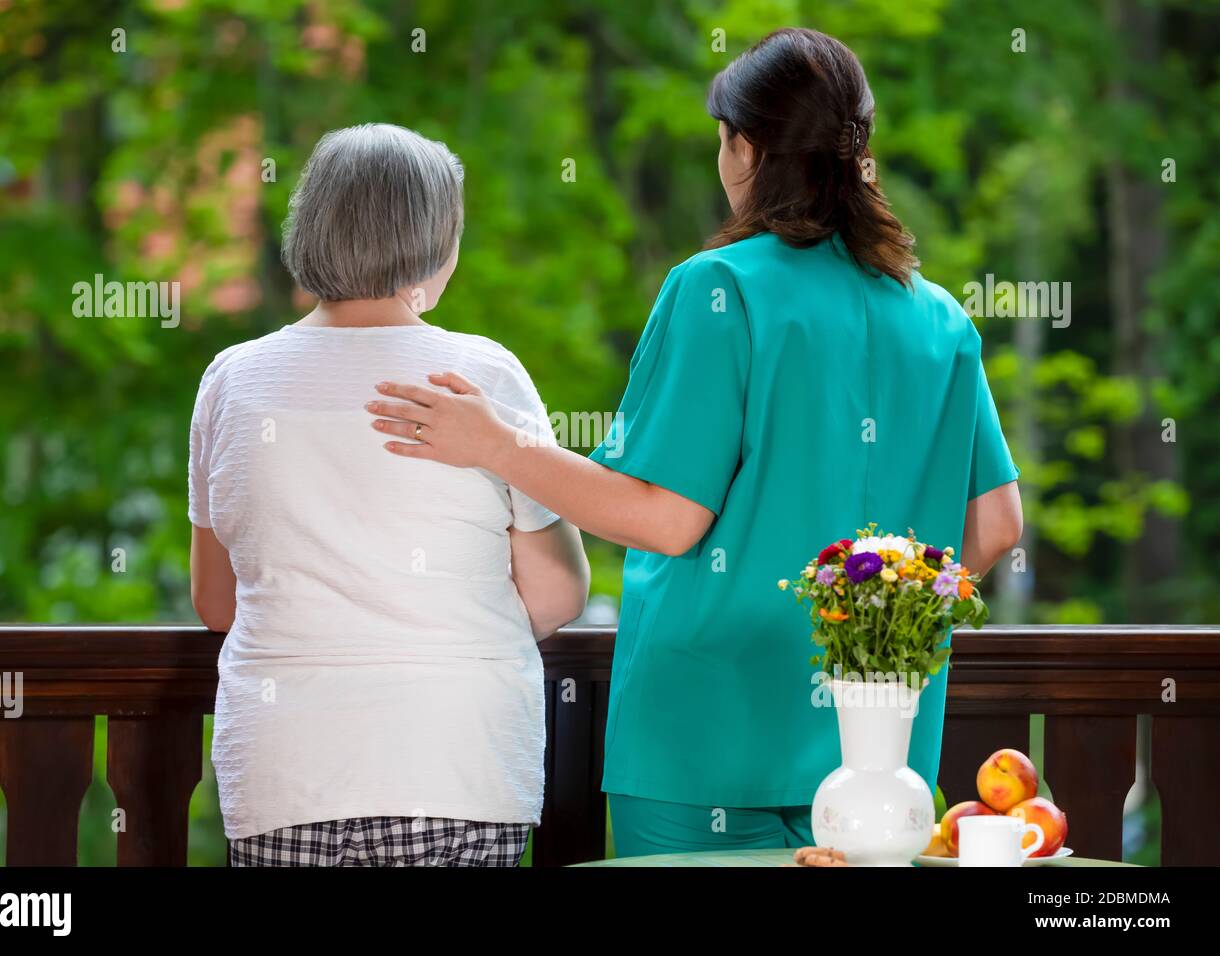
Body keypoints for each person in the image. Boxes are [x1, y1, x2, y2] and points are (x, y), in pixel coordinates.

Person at [365, 29, 1023, 859]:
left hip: (704, 738)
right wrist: (873, 618)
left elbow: (669, 519)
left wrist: (496, 445)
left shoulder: (718, 290)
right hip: (876, 759)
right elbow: (996, 528)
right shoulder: (941, 319)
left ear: (745, 147)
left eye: (722, 138)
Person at [188, 124, 590, 866]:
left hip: (283, 772)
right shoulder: (483, 377)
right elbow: (560, 592)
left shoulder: (233, 382)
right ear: (438, 245)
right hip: (455, 761)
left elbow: (217, 602)